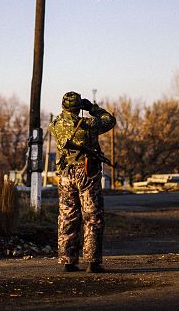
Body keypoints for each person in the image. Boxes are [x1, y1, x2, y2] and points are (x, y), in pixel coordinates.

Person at [50, 91, 116, 273]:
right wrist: (92, 108)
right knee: (92, 215)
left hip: (64, 173)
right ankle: (93, 262)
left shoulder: (54, 125)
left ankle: (68, 261)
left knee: (67, 216)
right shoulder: (87, 124)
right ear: (78, 108)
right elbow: (109, 120)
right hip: (86, 172)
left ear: (63, 106)